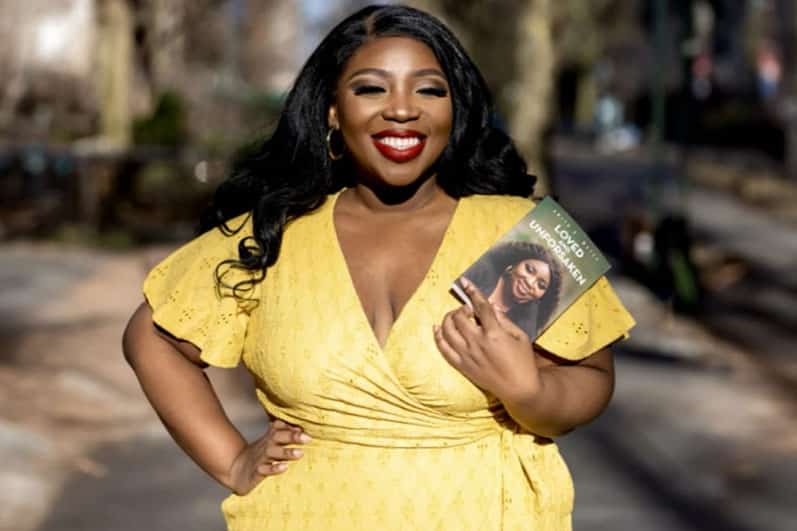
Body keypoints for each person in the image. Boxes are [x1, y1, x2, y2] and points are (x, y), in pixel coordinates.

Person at [122, 5, 635, 530]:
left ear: (454, 109)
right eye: (371, 89)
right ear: (331, 111)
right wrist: (232, 459)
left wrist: (530, 392)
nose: (402, 110)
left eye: (429, 90)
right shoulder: (273, 231)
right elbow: (152, 337)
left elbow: (592, 376)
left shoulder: (524, 231)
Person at [466, 241, 563, 339]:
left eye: (541, 285)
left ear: (543, 296)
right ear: (515, 262)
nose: (530, 283)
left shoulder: (526, 325)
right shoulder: (482, 268)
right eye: (529, 269)